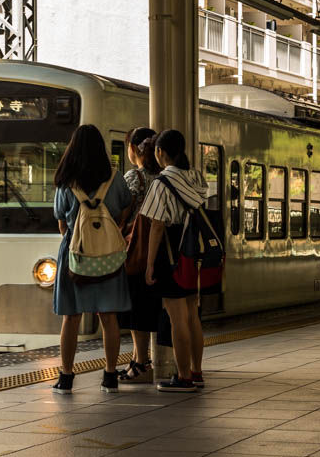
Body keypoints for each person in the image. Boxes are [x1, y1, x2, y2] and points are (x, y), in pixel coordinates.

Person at [51, 124, 132, 393]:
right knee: (108, 317)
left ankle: (66, 377)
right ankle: (109, 375)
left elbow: (61, 222)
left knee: (71, 318)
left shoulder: (66, 181)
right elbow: (124, 212)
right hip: (108, 256)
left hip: (75, 256)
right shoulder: (115, 178)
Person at [141, 129, 208, 393]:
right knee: (192, 315)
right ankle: (196, 371)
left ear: (160, 152)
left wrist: (149, 264)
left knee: (177, 317)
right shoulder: (196, 177)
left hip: (171, 254)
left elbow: (156, 225)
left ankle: (183, 377)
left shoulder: (161, 183)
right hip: (193, 253)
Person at [118, 127, 161, 383]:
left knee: (137, 310)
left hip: (136, 248)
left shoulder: (134, 177)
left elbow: (123, 214)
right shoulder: (163, 177)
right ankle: (138, 360)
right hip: (159, 249)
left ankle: (141, 362)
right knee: (150, 308)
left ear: (133, 149)